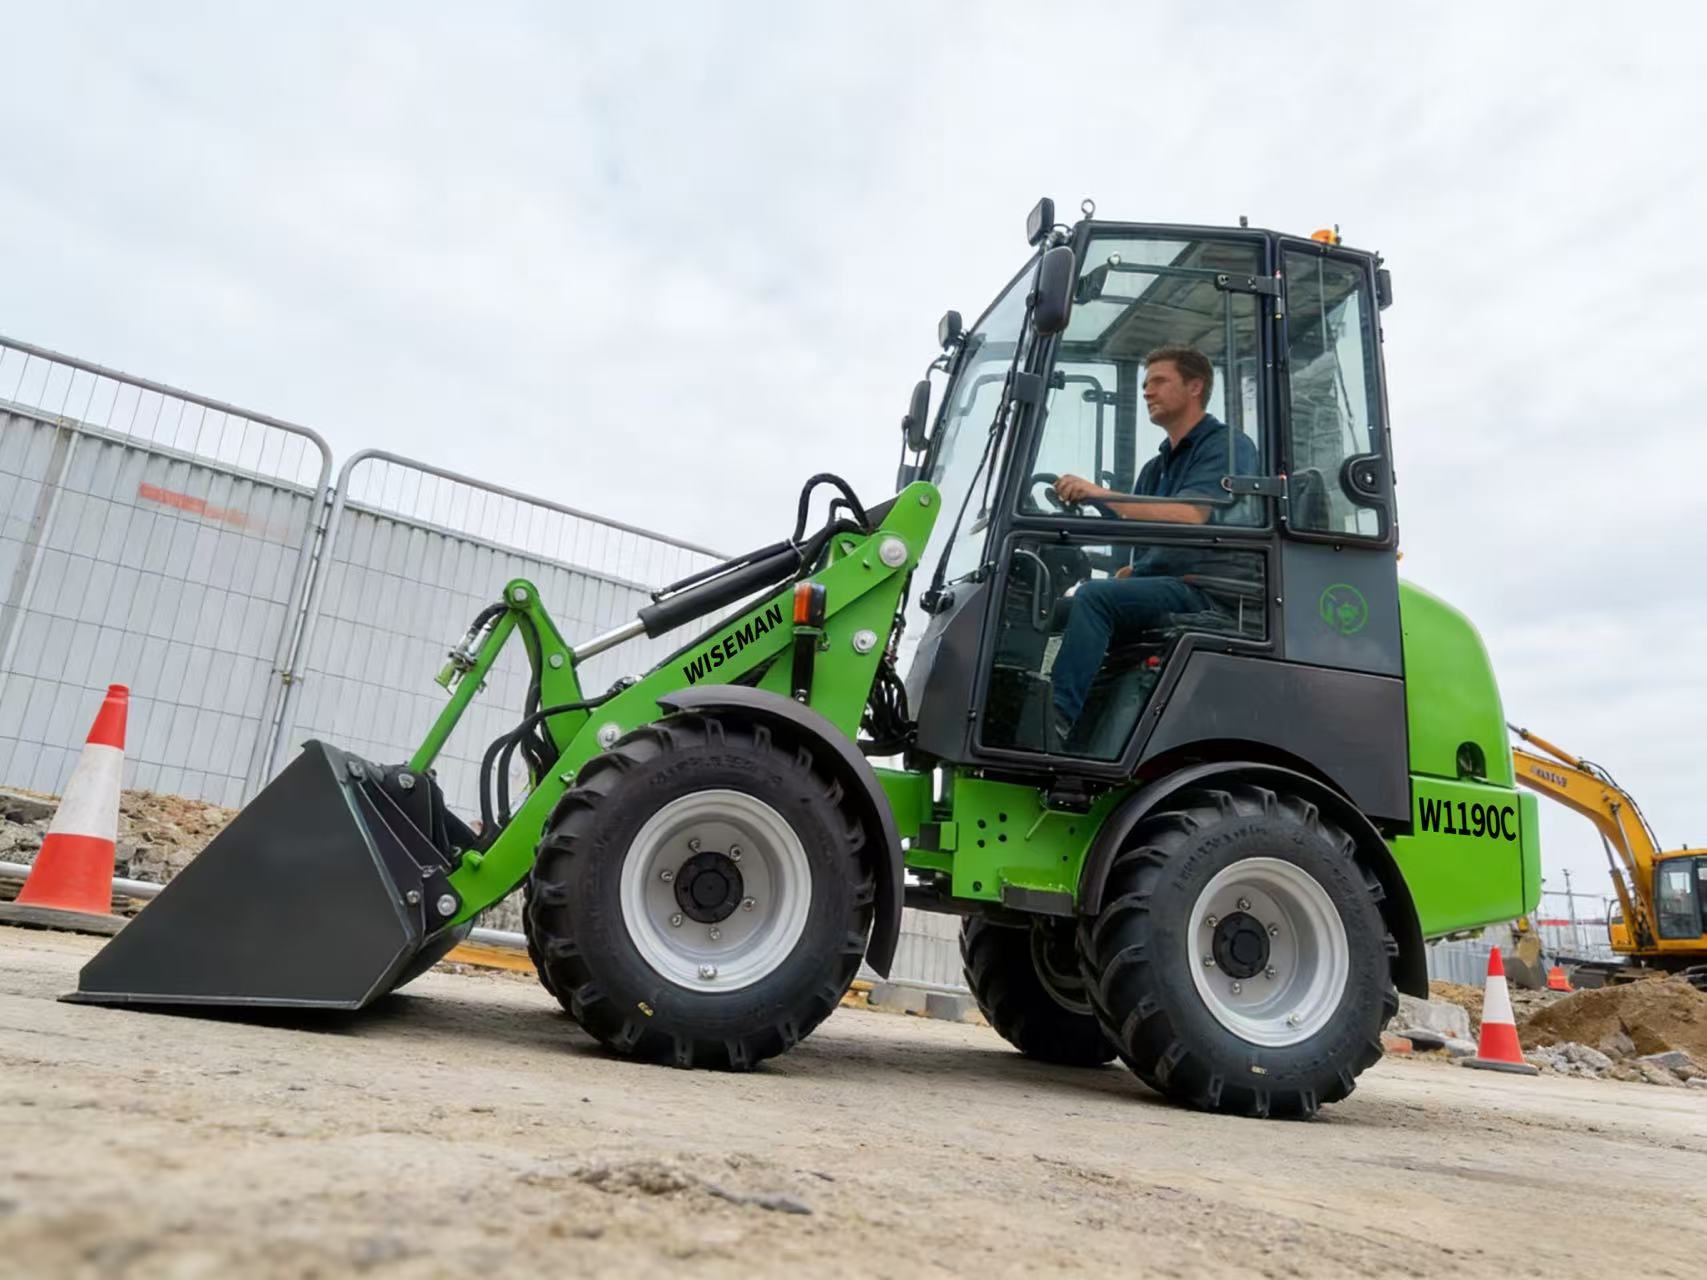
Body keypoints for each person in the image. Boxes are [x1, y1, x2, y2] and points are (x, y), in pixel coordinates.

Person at [1046, 344, 1258, 747]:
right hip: (1170, 585)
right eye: (1145, 384)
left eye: (1159, 381)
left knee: (1095, 599)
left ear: (1195, 387)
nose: (1147, 391)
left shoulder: (1226, 446)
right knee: (1050, 611)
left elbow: (1191, 517)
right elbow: (1138, 529)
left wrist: (1098, 492)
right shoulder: (1157, 467)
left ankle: (1056, 721)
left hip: (1208, 590)